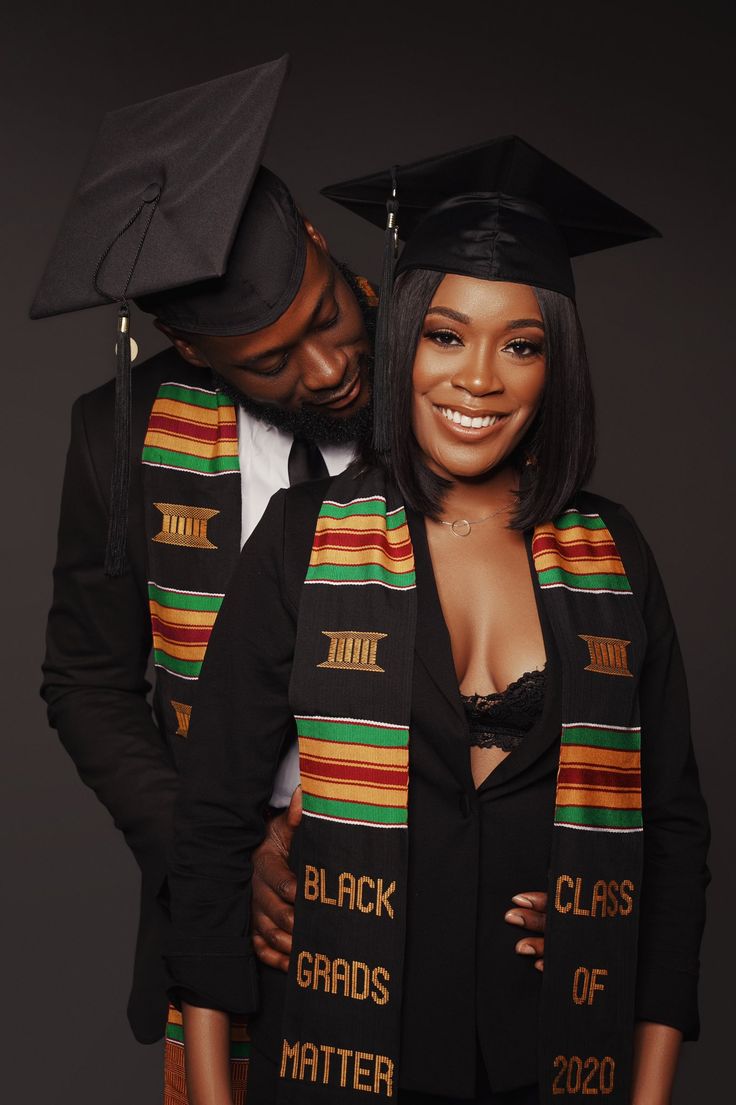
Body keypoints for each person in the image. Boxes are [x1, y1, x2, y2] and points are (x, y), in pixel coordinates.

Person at [33, 63, 547, 1103]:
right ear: (190, 350)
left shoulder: (455, 383)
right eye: (269, 359)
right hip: (232, 921)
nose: (324, 372)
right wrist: (212, 849)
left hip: (441, 892)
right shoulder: (122, 437)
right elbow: (86, 680)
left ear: (321, 246)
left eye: (324, 319)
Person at [164, 136, 709, 1105]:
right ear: (403, 338)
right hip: (338, 1052)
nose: (480, 379)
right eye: (446, 335)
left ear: (555, 366)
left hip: (550, 1055)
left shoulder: (612, 552)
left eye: (522, 344)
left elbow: (670, 835)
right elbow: (211, 828)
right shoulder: (304, 536)